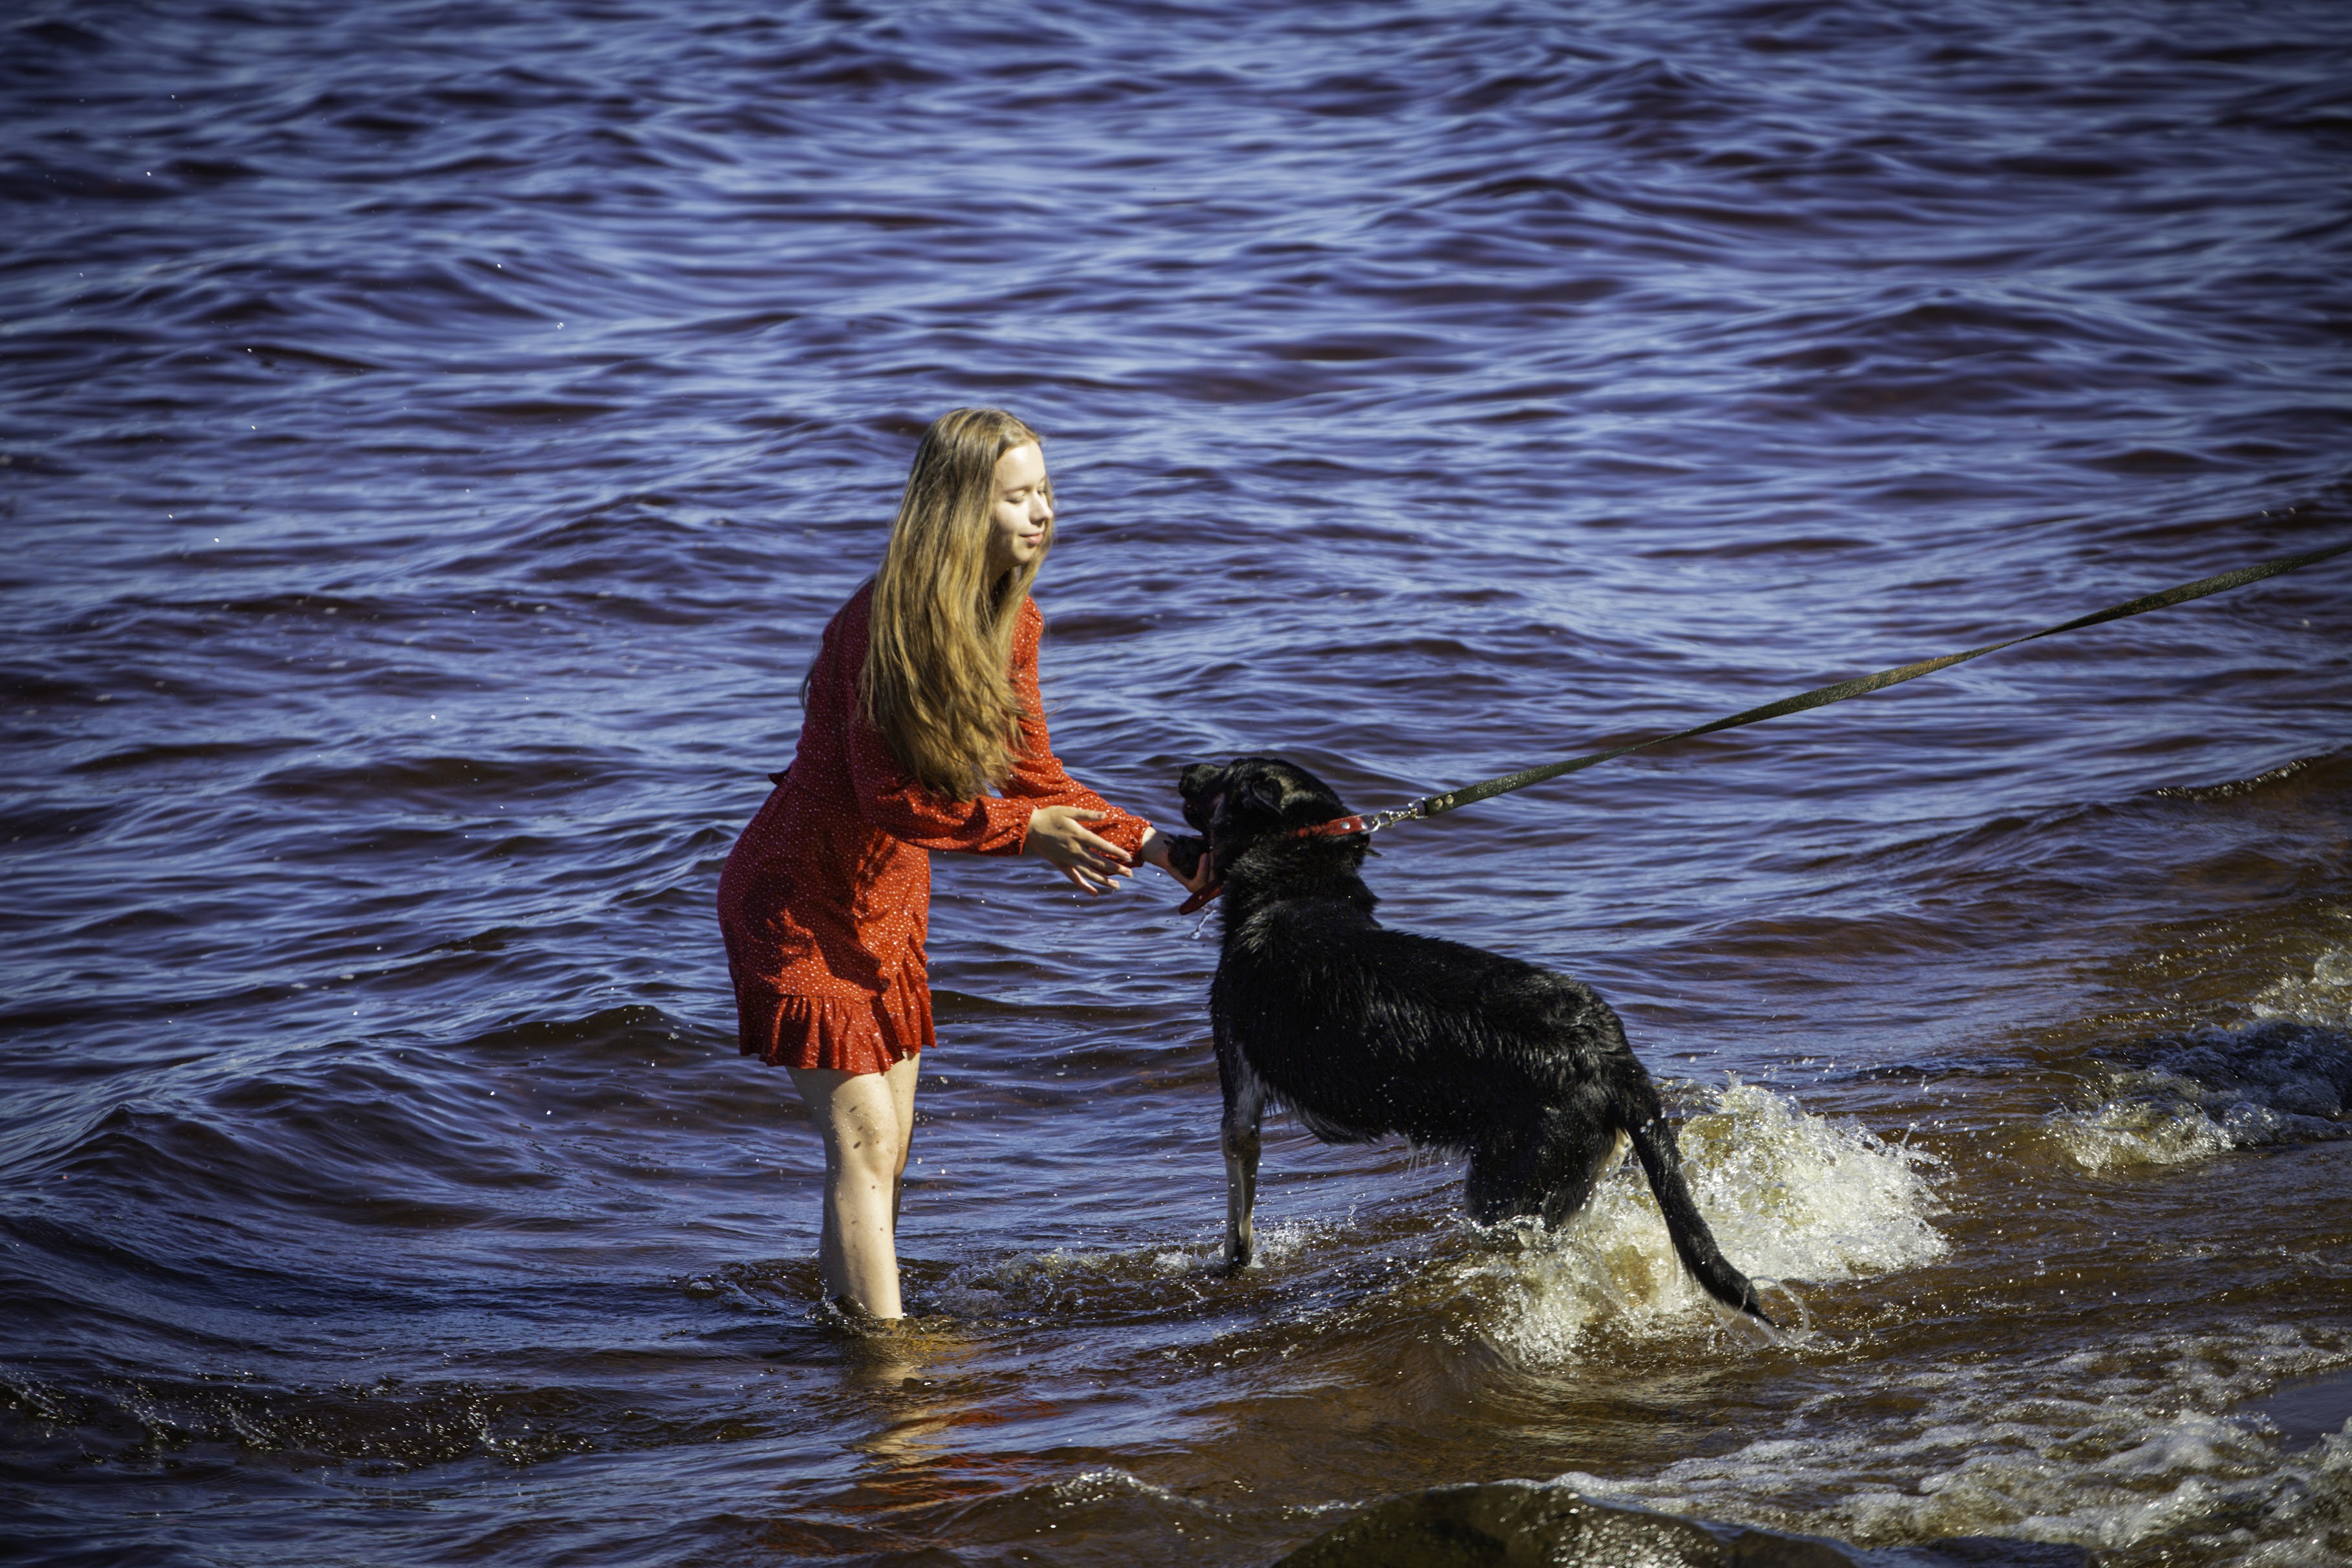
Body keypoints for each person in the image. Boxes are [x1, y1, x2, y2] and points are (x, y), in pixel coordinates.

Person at [717, 408, 1206, 1320]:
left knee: (885, 1146)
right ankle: (893, 1374)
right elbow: (889, 799)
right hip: (793, 900)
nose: (1041, 514)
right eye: (1016, 497)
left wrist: (1163, 849)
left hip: (888, 900)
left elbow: (1034, 776)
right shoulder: (880, 625)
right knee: (863, 1141)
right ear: (954, 510)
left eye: (1046, 493)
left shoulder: (1012, 622)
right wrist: (1028, 836)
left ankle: (847, 1332)